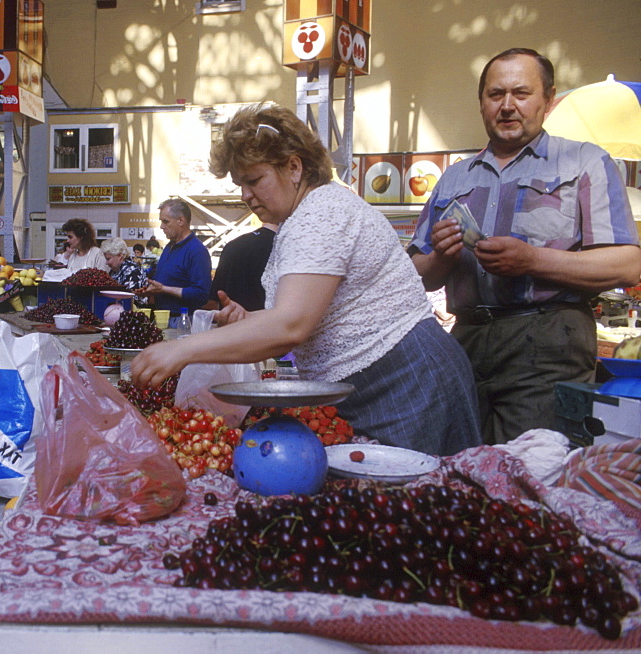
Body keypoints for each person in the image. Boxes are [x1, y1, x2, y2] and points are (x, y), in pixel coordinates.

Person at [132, 104, 481, 456]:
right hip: (383, 383)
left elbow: (291, 326)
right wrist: (250, 320)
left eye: (254, 181)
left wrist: (182, 350)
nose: (245, 196)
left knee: (418, 501)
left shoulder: (320, 213)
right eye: (241, 185)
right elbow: (309, 315)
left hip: (407, 385)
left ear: (294, 167)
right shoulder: (305, 216)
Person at [409, 48, 641, 445]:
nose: (507, 105)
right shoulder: (452, 178)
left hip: (548, 339)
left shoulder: (584, 161)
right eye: (495, 94)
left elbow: (627, 264)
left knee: (531, 467)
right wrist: (440, 259)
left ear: (548, 99)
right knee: (459, 465)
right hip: (466, 341)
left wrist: (533, 260)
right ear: (481, 102)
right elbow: (412, 273)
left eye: (522, 93)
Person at [140, 198, 212, 322]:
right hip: (163, 318)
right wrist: (151, 290)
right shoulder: (169, 247)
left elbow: (201, 294)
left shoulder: (196, 251)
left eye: (165, 222)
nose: (162, 226)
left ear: (180, 221)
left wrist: (164, 289)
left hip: (182, 321)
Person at [207, 223, 277, 312]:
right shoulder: (283, 247)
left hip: (234, 321)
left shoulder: (233, 245)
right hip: (270, 321)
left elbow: (213, 299)